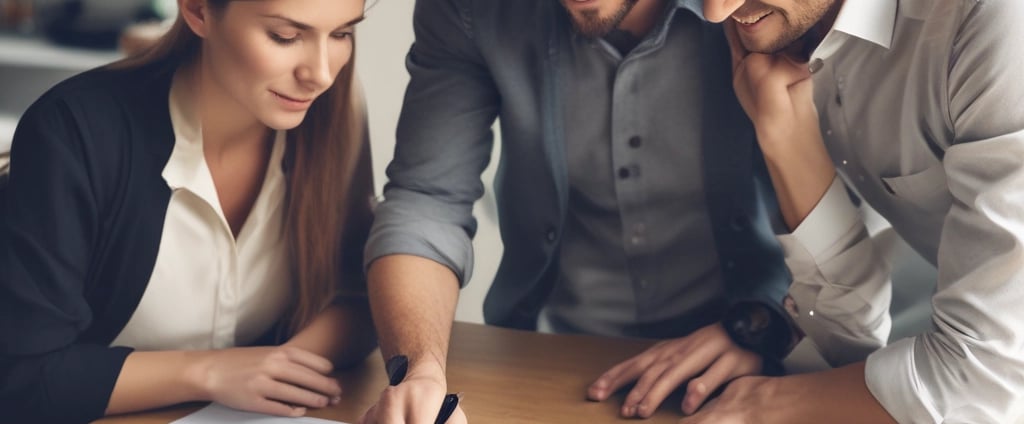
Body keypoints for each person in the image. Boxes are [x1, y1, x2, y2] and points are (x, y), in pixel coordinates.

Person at [359, 0, 799, 421]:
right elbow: (426, 199)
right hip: (547, 358)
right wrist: (419, 370)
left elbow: (848, 202)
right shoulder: (467, 8)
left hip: (748, 362)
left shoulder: (758, 9)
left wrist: (763, 323)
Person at [0, 0, 377, 421]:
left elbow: (360, 294)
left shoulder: (331, 113)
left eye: (342, 34)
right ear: (198, 11)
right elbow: (24, 379)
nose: (321, 74)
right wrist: (209, 373)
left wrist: (278, 367)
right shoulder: (73, 131)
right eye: (284, 36)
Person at [677, 0, 1024, 422]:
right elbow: (844, 338)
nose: (714, 13)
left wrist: (765, 405)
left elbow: (987, 382)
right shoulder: (794, 35)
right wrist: (784, 137)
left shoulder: (999, 19)